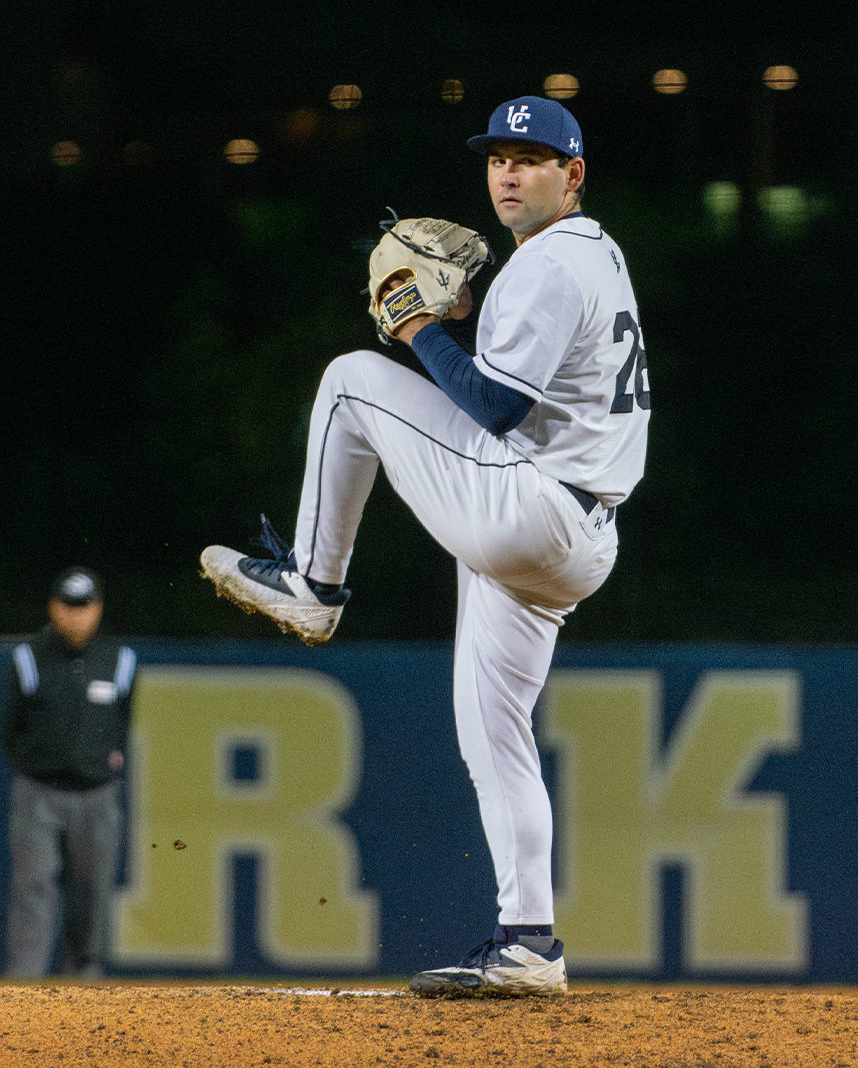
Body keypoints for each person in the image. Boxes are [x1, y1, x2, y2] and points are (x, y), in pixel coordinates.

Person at [200, 95, 650, 996]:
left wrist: (418, 327)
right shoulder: (595, 252)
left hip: (530, 507)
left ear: (575, 173)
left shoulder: (550, 265)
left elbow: (493, 408)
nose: (510, 173)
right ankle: (529, 943)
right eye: (497, 158)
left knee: (351, 383)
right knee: (495, 735)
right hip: (577, 533)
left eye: (532, 157)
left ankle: (313, 583)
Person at [0, 567, 137, 979]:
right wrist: (34, 766)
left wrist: (104, 762)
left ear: (98, 609)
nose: (76, 616)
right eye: (68, 607)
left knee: (91, 894)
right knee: (33, 888)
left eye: (84, 607)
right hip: (38, 792)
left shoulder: (120, 660)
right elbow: (9, 727)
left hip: (96, 794)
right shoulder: (29, 657)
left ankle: (84, 987)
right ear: (53, 608)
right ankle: (22, 987)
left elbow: (123, 725)